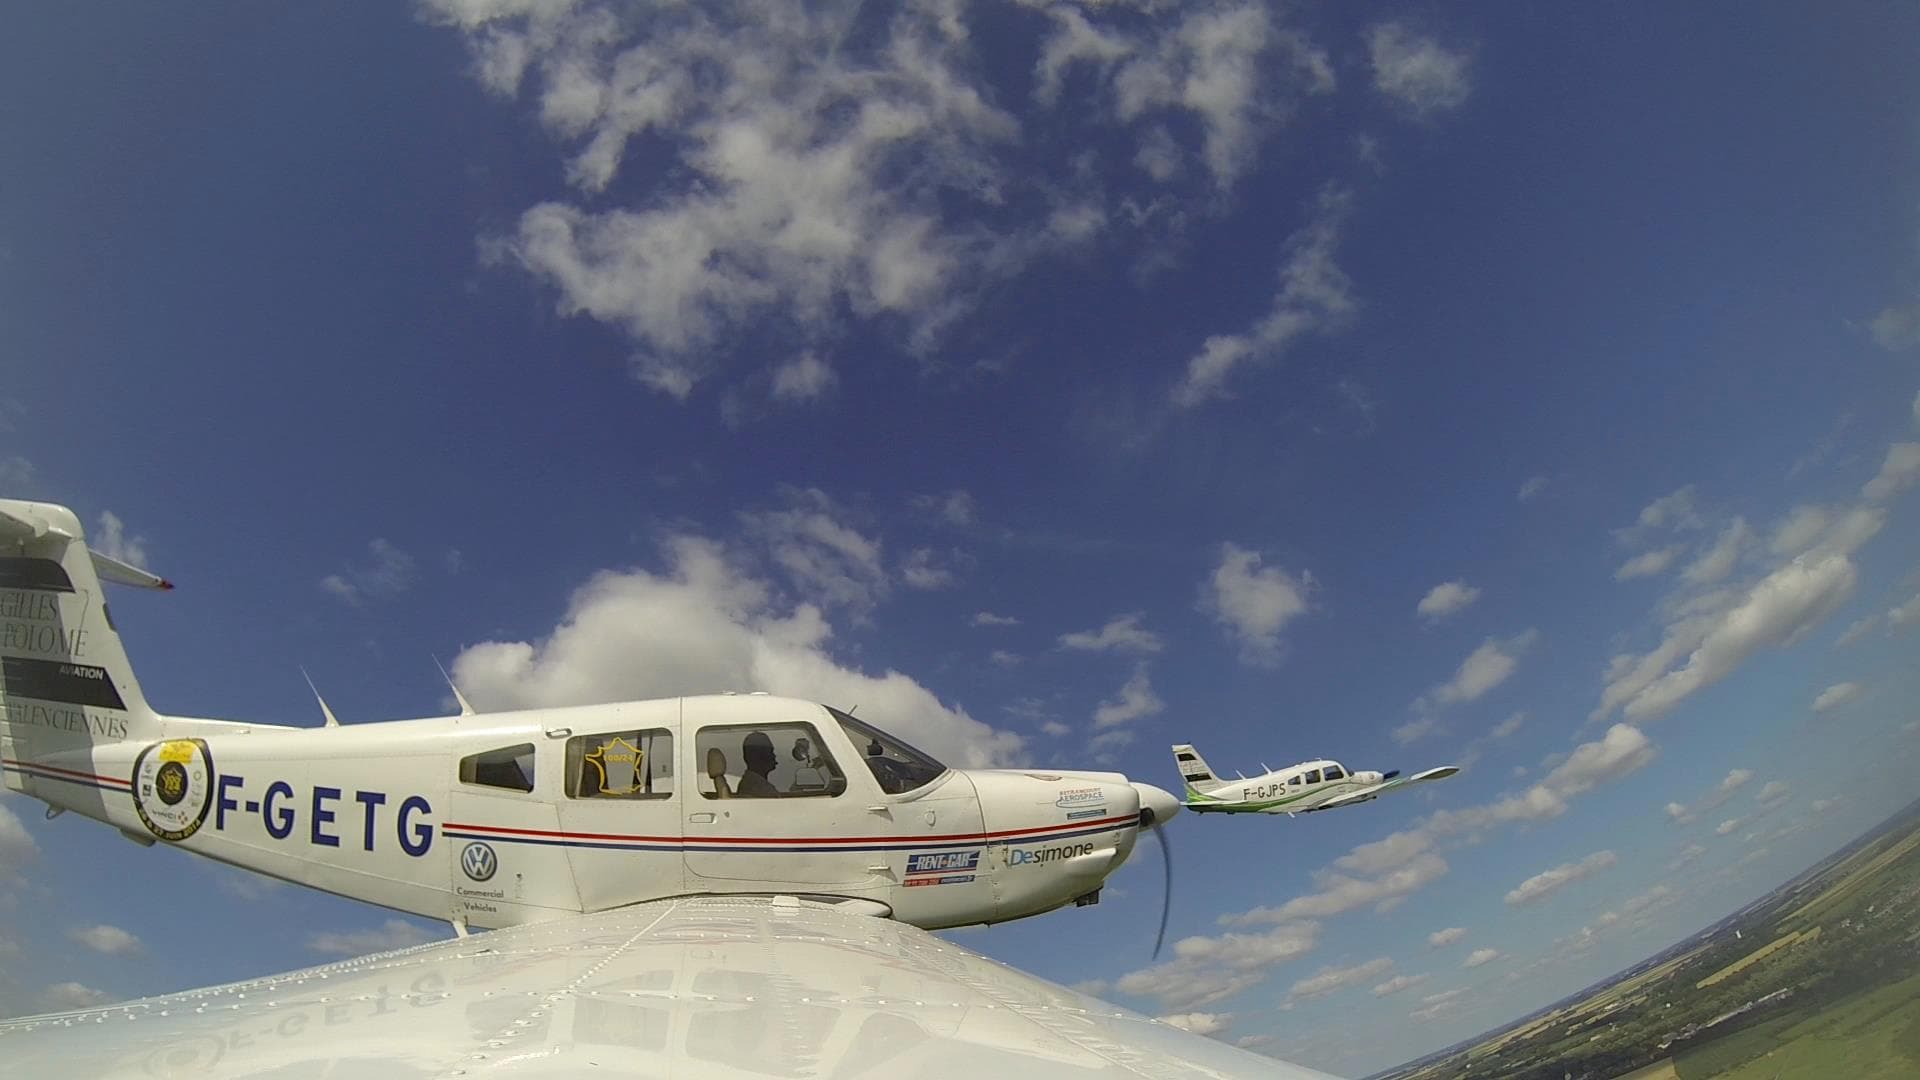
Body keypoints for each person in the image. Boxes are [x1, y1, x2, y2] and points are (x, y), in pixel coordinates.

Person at [735, 731, 779, 797]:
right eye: (770, 752)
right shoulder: (760, 789)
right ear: (757, 756)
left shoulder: (750, 783)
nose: (774, 756)